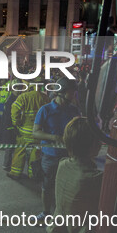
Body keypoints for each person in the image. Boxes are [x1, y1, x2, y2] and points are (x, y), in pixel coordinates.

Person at [33, 77, 80, 219]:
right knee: (47, 187)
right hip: (50, 157)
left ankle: (63, 214)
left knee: (68, 188)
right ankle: (46, 213)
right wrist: (55, 138)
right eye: (71, 93)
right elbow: (35, 132)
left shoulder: (74, 110)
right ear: (61, 92)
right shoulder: (45, 110)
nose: (73, 96)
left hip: (70, 157)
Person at [8, 79, 49, 179]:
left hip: (24, 132)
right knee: (35, 153)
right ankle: (33, 174)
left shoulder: (23, 97)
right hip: (39, 133)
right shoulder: (45, 98)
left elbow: (14, 111)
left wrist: (16, 123)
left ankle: (15, 173)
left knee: (20, 152)